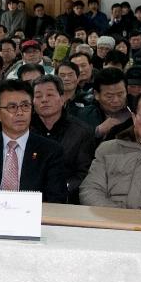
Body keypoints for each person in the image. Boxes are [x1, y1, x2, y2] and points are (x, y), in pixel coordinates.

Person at [0, 79, 67, 202]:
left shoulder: (50, 150)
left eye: (25, 106)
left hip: (33, 217)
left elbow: (57, 199)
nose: (20, 113)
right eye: (12, 107)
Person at [30, 75, 94, 203]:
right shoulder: (24, 129)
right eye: (38, 96)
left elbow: (83, 174)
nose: (44, 100)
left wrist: (59, 190)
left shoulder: (82, 131)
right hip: (29, 197)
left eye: (50, 95)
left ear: (63, 98)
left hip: (66, 199)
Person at [76, 67, 132, 143]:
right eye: (109, 96)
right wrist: (97, 132)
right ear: (96, 95)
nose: (116, 100)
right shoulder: (84, 116)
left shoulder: (137, 111)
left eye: (120, 94)